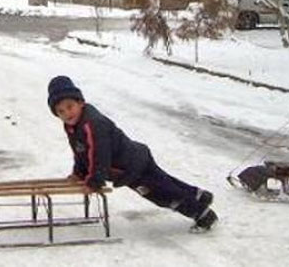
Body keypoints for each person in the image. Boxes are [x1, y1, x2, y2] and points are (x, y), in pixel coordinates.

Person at [47, 76, 218, 232]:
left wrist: (93, 182)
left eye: (70, 107)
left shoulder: (92, 124)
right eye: (61, 111)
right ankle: (199, 195)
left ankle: (203, 215)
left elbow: (100, 156)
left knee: (162, 194)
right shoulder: (74, 125)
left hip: (131, 167)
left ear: (80, 102)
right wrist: (79, 173)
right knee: (164, 182)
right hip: (134, 158)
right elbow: (81, 152)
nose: (67, 114)